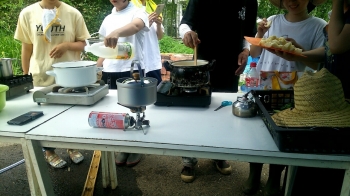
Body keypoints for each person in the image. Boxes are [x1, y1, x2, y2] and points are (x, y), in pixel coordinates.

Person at [267, 0, 350, 195]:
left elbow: (336, 45)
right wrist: (299, 54)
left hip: (340, 99)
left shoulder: (332, 15)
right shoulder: (341, 12)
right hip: (327, 96)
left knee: (327, 162)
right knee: (310, 160)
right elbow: (329, 51)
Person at [245, 0, 327, 195]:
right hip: (265, 87)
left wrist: (299, 53)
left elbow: (320, 63)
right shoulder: (272, 21)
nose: (292, 1)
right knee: (258, 133)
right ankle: (254, 173)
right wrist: (259, 34)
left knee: (285, 135)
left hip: (295, 93)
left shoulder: (319, 26)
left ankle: (274, 177)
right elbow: (255, 52)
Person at [179, 0, 258, 183]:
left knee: (223, 112)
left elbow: (248, 33)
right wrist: (186, 33)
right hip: (202, 62)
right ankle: (189, 159)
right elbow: (185, 22)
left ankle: (219, 153)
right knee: (196, 110)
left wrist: (246, 51)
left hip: (231, 63)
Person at [14, 0, 90, 169]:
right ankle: (49, 152)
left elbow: (84, 44)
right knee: (44, 116)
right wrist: (25, 76)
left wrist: (67, 46)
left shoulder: (72, 13)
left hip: (69, 77)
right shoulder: (27, 13)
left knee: (71, 114)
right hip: (41, 74)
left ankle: (72, 145)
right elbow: (27, 47)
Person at [96, 0, 149, 167]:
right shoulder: (108, 19)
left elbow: (135, 26)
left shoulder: (139, 12)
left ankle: (136, 145)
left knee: (135, 108)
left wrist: (117, 32)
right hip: (110, 70)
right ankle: (124, 145)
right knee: (115, 109)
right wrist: (96, 67)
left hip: (132, 69)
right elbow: (105, 47)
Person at [132, 0, 164, 85]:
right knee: (138, 94)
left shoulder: (152, 6)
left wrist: (159, 25)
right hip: (138, 62)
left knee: (156, 94)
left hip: (153, 61)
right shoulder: (130, 7)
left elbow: (160, 36)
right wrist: (146, 24)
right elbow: (131, 33)